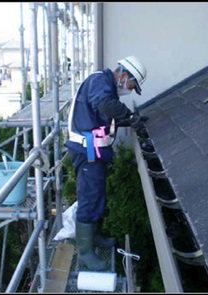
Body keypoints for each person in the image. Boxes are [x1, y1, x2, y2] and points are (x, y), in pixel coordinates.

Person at [65, 56, 148, 270]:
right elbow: (104, 105)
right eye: (131, 85)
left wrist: (132, 120)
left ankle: (95, 235)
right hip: (86, 151)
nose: (129, 90)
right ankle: (84, 251)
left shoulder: (107, 86)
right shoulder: (100, 81)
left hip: (94, 151)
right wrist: (130, 117)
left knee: (97, 194)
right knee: (89, 197)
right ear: (123, 74)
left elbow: (108, 115)